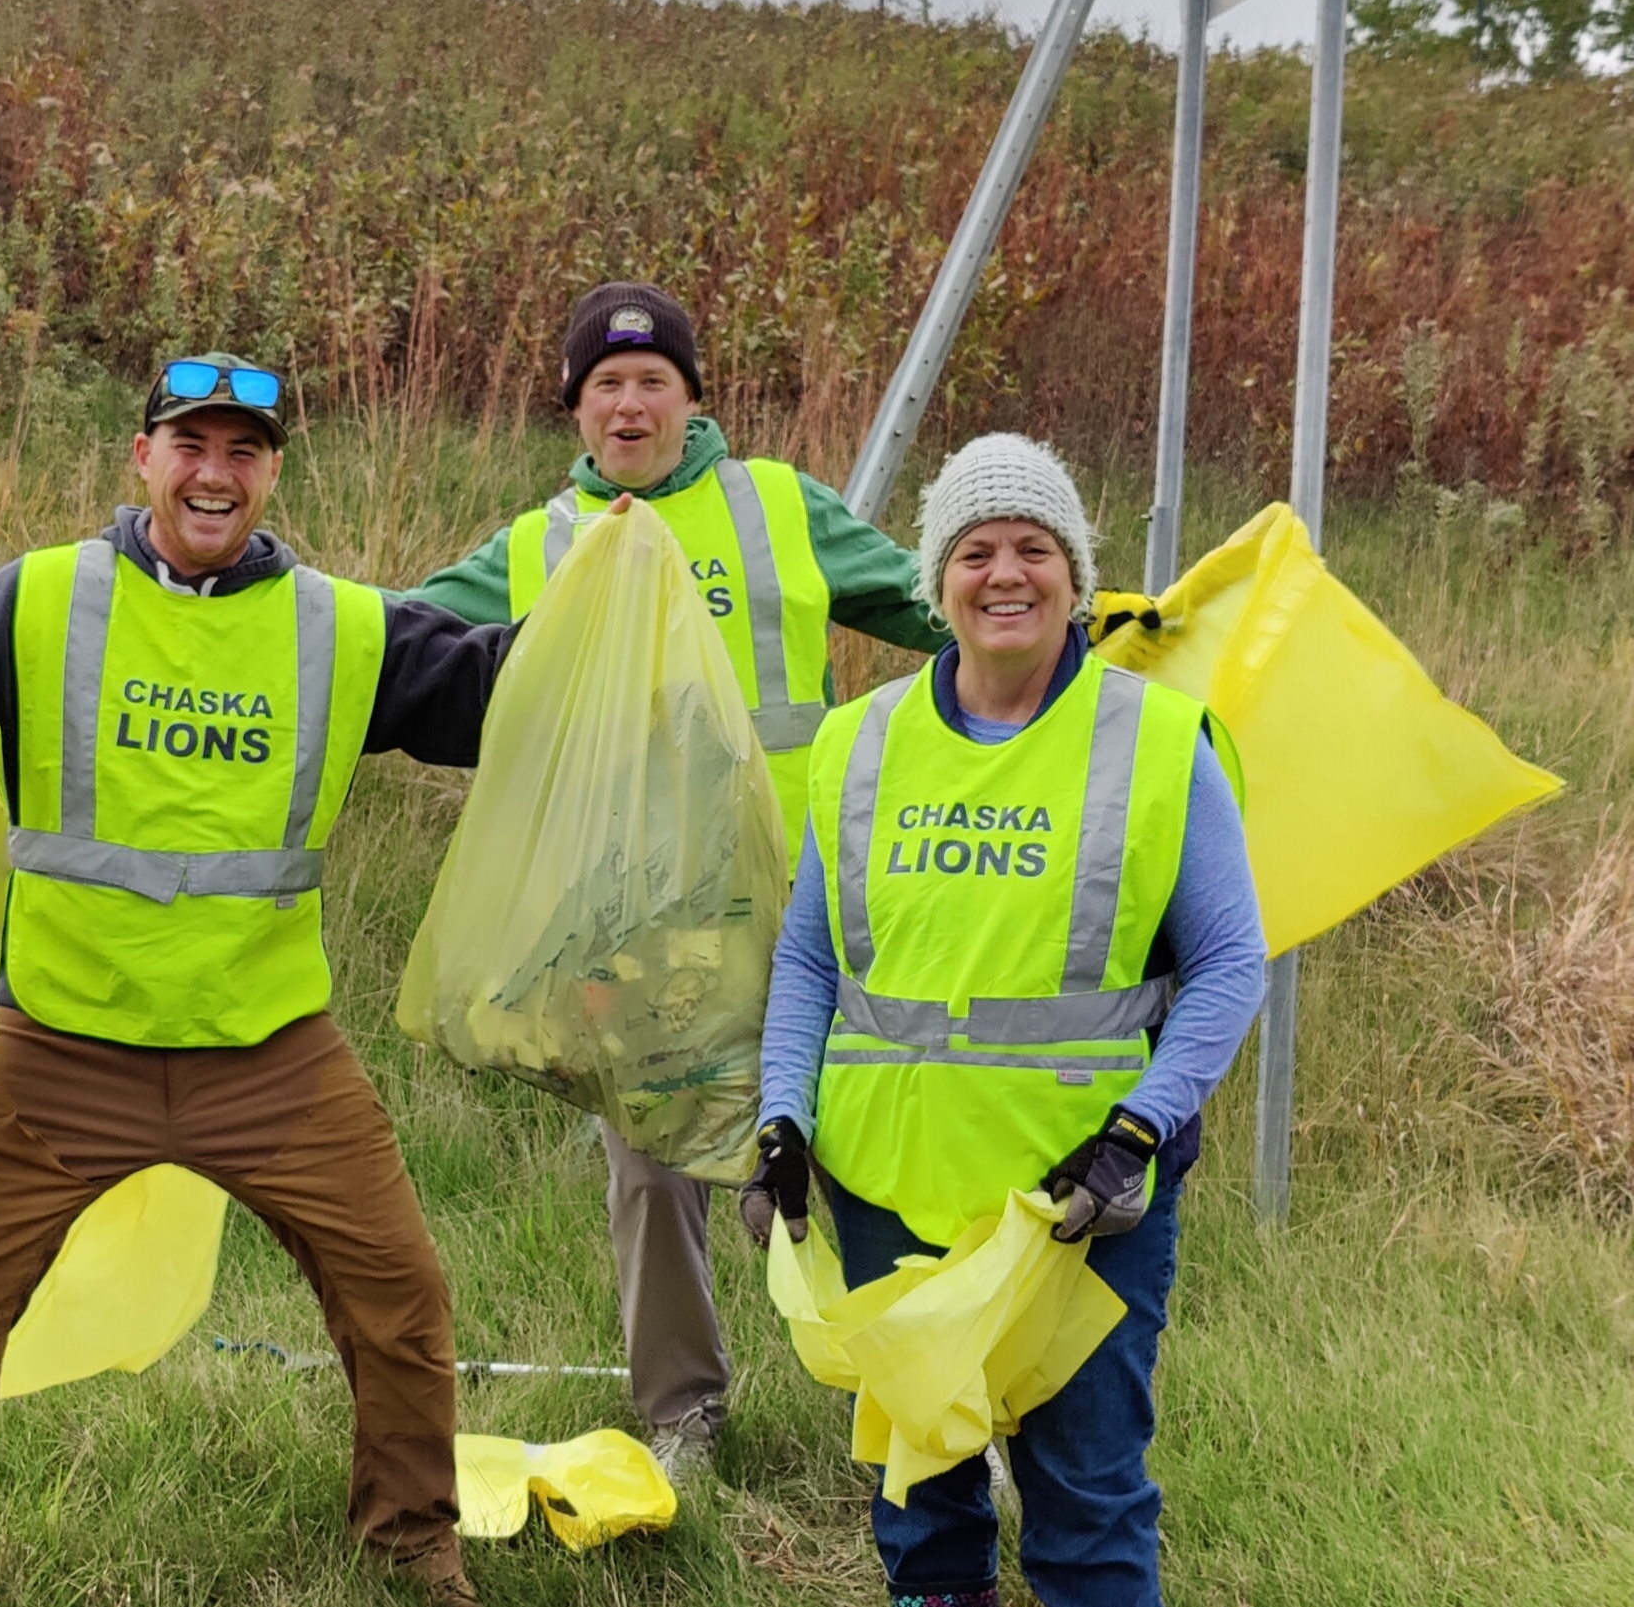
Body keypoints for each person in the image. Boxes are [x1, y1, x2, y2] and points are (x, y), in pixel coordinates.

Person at [0, 354, 511, 1607]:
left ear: (273, 471)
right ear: (144, 457)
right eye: (191, 445)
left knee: (400, 1297)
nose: (215, 473)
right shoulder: (46, 597)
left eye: (244, 451)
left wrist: (613, 603)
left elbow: (506, 695)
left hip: (270, 1051)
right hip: (52, 1047)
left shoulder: (340, 624)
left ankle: (410, 1547)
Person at [403, 281, 943, 1479]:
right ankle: (684, 1414)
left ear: (694, 398)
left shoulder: (776, 507)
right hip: (635, 921)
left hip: (808, 906)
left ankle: (923, 1401)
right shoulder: (539, 544)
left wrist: (1081, 630)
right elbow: (396, 636)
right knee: (652, 1168)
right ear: (576, 410)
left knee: (861, 1145)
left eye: (654, 381)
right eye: (607, 385)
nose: (631, 403)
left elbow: (940, 607)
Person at [742, 433, 1267, 1607]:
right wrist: (782, 1116)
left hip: (1081, 1196)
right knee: (921, 1489)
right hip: (887, 1184)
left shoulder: (1155, 741)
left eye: (1034, 547)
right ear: (937, 584)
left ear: (1076, 578)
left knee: (1083, 1493)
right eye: (975, 551)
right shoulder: (859, 742)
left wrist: (1139, 1131)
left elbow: (1232, 965)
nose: (1005, 574)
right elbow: (810, 954)